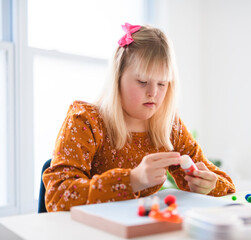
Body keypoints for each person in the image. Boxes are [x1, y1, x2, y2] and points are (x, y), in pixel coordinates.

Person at [43, 23, 235, 212]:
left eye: (162, 83)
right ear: (117, 78)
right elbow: (58, 196)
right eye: (142, 82)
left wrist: (208, 185)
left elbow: (227, 185)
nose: (153, 92)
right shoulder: (86, 121)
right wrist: (132, 180)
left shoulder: (169, 126)